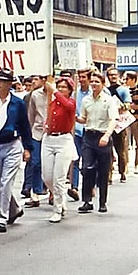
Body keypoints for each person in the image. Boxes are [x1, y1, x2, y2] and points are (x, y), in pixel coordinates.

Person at [0, 68, 33, 233]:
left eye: (1, 81)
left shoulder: (18, 103)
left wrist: (27, 148)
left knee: (6, 182)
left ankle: (1, 218)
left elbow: (25, 126)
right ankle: (15, 208)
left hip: (12, 145)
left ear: (9, 84)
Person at [76, 71, 118, 214]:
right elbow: (83, 118)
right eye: (92, 81)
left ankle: (102, 201)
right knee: (87, 168)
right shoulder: (86, 100)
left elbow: (113, 120)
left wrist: (106, 135)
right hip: (88, 136)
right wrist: (75, 118)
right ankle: (87, 200)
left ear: (103, 84)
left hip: (103, 136)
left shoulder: (109, 100)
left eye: (97, 82)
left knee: (103, 171)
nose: (93, 84)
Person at [41, 77, 77, 223]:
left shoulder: (71, 103)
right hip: (49, 139)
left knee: (59, 177)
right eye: (59, 86)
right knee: (47, 177)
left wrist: (55, 91)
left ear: (70, 90)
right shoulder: (52, 102)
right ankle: (60, 196)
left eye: (64, 87)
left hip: (64, 140)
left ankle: (57, 209)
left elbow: (68, 106)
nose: (61, 89)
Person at [24, 74, 48, 205]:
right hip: (37, 132)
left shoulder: (56, 94)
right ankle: (36, 192)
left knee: (50, 166)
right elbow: (31, 115)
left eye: (36, 79)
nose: (33, 82)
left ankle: (52, 192)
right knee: (35, 162)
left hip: (52, 134)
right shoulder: (34, 95)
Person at [70, 68, 93, 202]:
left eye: (84, 77)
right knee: (75, 158)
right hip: (77, 130)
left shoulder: (95, 93)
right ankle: (74, 186)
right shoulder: (74, 94)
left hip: (91, 130)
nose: (81, 79)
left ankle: (91, 186)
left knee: (89, 162)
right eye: (80, 76)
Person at [106, 67, 130, 183]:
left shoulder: (124, 90)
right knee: (108, 151)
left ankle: (122, 172)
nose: (113, 77)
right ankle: (109, 174)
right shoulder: (105, 90)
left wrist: (120, 107)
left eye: (115, 75)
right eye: (110, 75)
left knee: (121, 150)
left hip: (120, 124)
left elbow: (128, 105)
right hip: (108, 124)